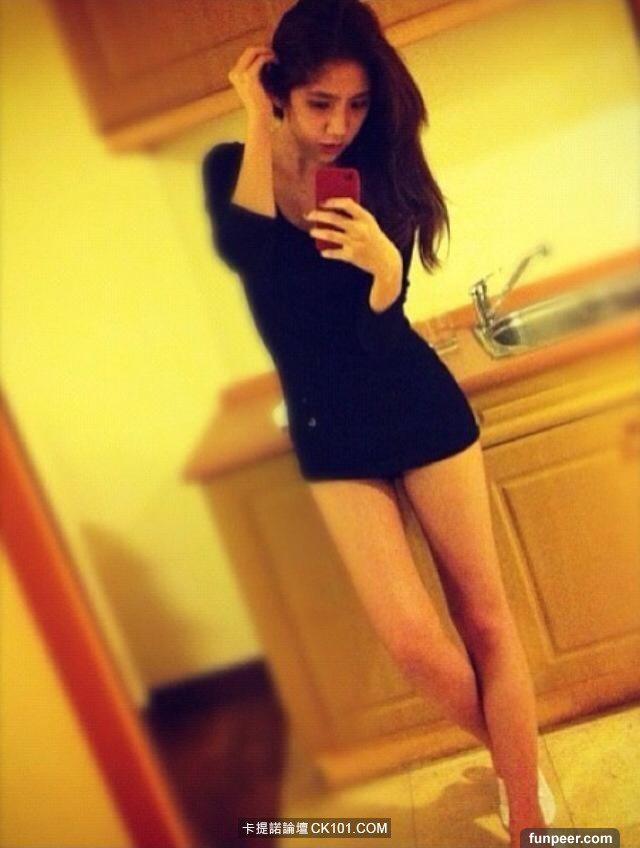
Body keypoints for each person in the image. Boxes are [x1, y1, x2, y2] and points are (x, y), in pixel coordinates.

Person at [201, 1, 555, 844]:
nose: (339, 126)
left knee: (486, 620)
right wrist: (257, 119)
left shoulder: (379, 165)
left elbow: (375, 330)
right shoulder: (235, 164)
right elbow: (249, 256)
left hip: (413, 398)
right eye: (320, 103)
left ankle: (527, 811)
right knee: (412, 642)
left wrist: (388, 274)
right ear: (281, 89)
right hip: (328, 424)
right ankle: (514, 752)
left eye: (356, 105)